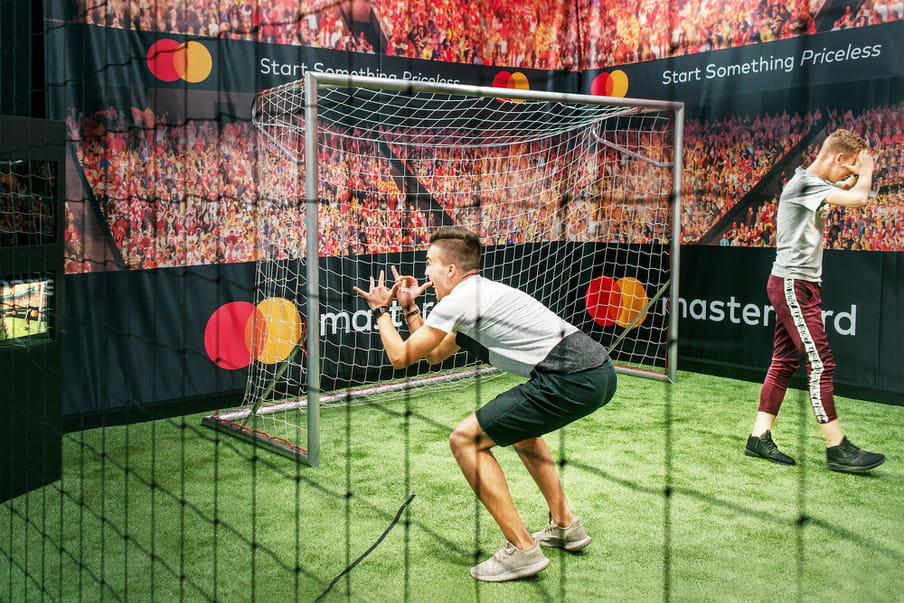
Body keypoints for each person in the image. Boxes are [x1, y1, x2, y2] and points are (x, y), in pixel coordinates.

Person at [353, 226, 617, 582]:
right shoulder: (479, 294)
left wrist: (380, 312)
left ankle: (522, 551)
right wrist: (410, 308)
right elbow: (433, 355)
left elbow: (400, 357)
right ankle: (565, 525)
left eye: (430, 262)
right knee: (523, 433)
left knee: (465, 439)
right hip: (598, 373)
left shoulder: (459, 300)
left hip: (571, 378)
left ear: (451, 269)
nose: (425, 270)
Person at [745, 129, 885, 473]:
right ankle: (837, 447)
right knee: (821, 362)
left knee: (784, 361)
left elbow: (850, 194)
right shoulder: (806, 184)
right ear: (838, 157)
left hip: (797, 284)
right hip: (793, 284)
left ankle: (758, 437)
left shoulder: (811, 184)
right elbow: (859, 198)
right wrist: (865, 170)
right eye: (848, 169)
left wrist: (858, 171)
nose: (849, 177)